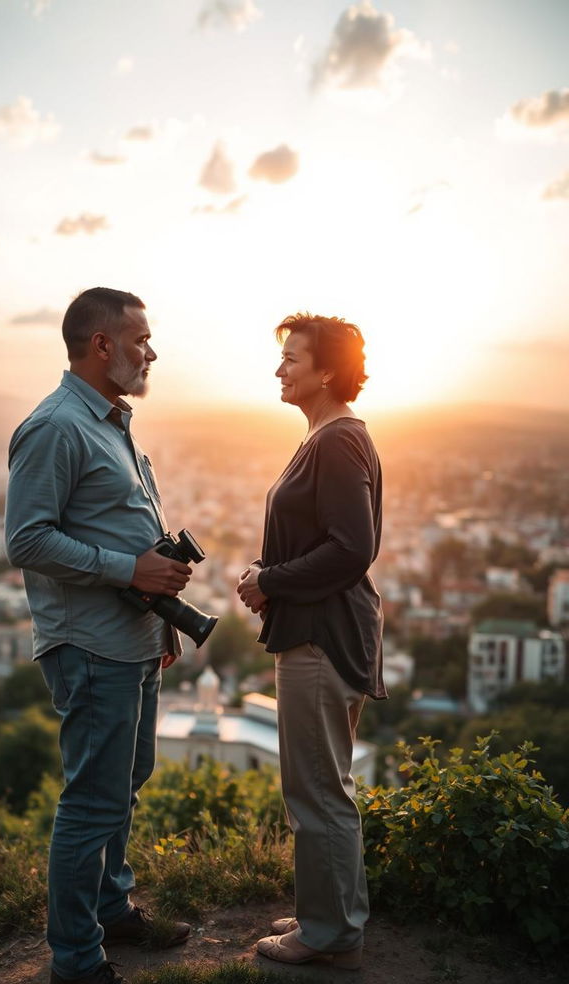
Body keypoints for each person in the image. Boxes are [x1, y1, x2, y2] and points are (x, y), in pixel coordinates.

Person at [5, 288, 191, 984]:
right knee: (91, 802)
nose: (151, 350)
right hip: (88, 645)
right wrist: (130, 568)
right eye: (140, 337)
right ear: (102, 344)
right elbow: (26, 539)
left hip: (133, 637)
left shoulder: (111, 421)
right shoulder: (55, 426)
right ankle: (77, 961)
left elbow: (118, 525)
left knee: (126, 786)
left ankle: (112, 910)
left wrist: (157, 612)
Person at [237, 312, 385, 970]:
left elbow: (352, 548)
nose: (279, 369)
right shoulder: (327, 436)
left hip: (320, 638)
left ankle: (329, 934)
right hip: (322, 630)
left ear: (326, 371)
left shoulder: (338, 441)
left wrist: (270, 579)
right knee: (326, 782)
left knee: (317, 789)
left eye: (291, 359)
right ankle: (332, 914)